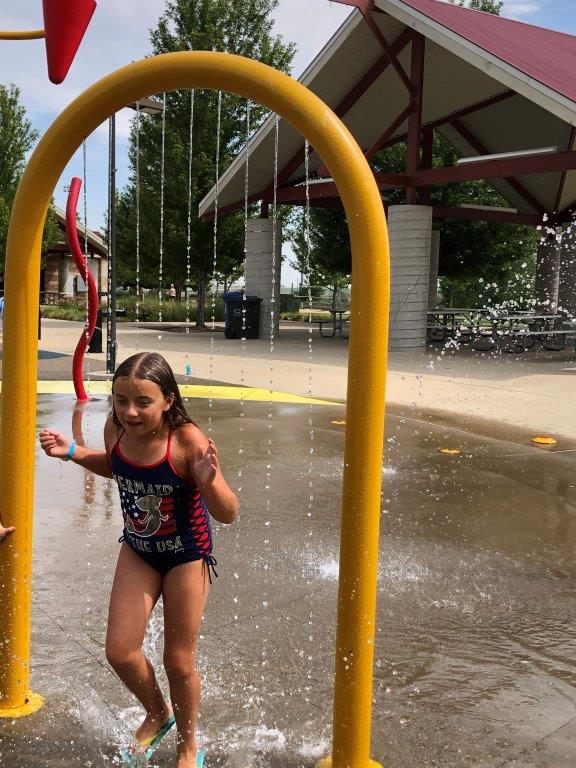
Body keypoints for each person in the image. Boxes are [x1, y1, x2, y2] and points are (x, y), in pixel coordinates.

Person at [38, 352, 238, 768]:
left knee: (178, 660)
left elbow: (228, 512)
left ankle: (187, 744)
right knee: (119, 651)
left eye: (142, 402)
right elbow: (117, 466)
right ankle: (157, 711)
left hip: (186, 555)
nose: (130, 411)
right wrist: (74, 451)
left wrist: (207, 482)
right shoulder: (116, 428)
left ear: (167, 400)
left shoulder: (187, 442)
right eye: (120, 400)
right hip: (139, 550)